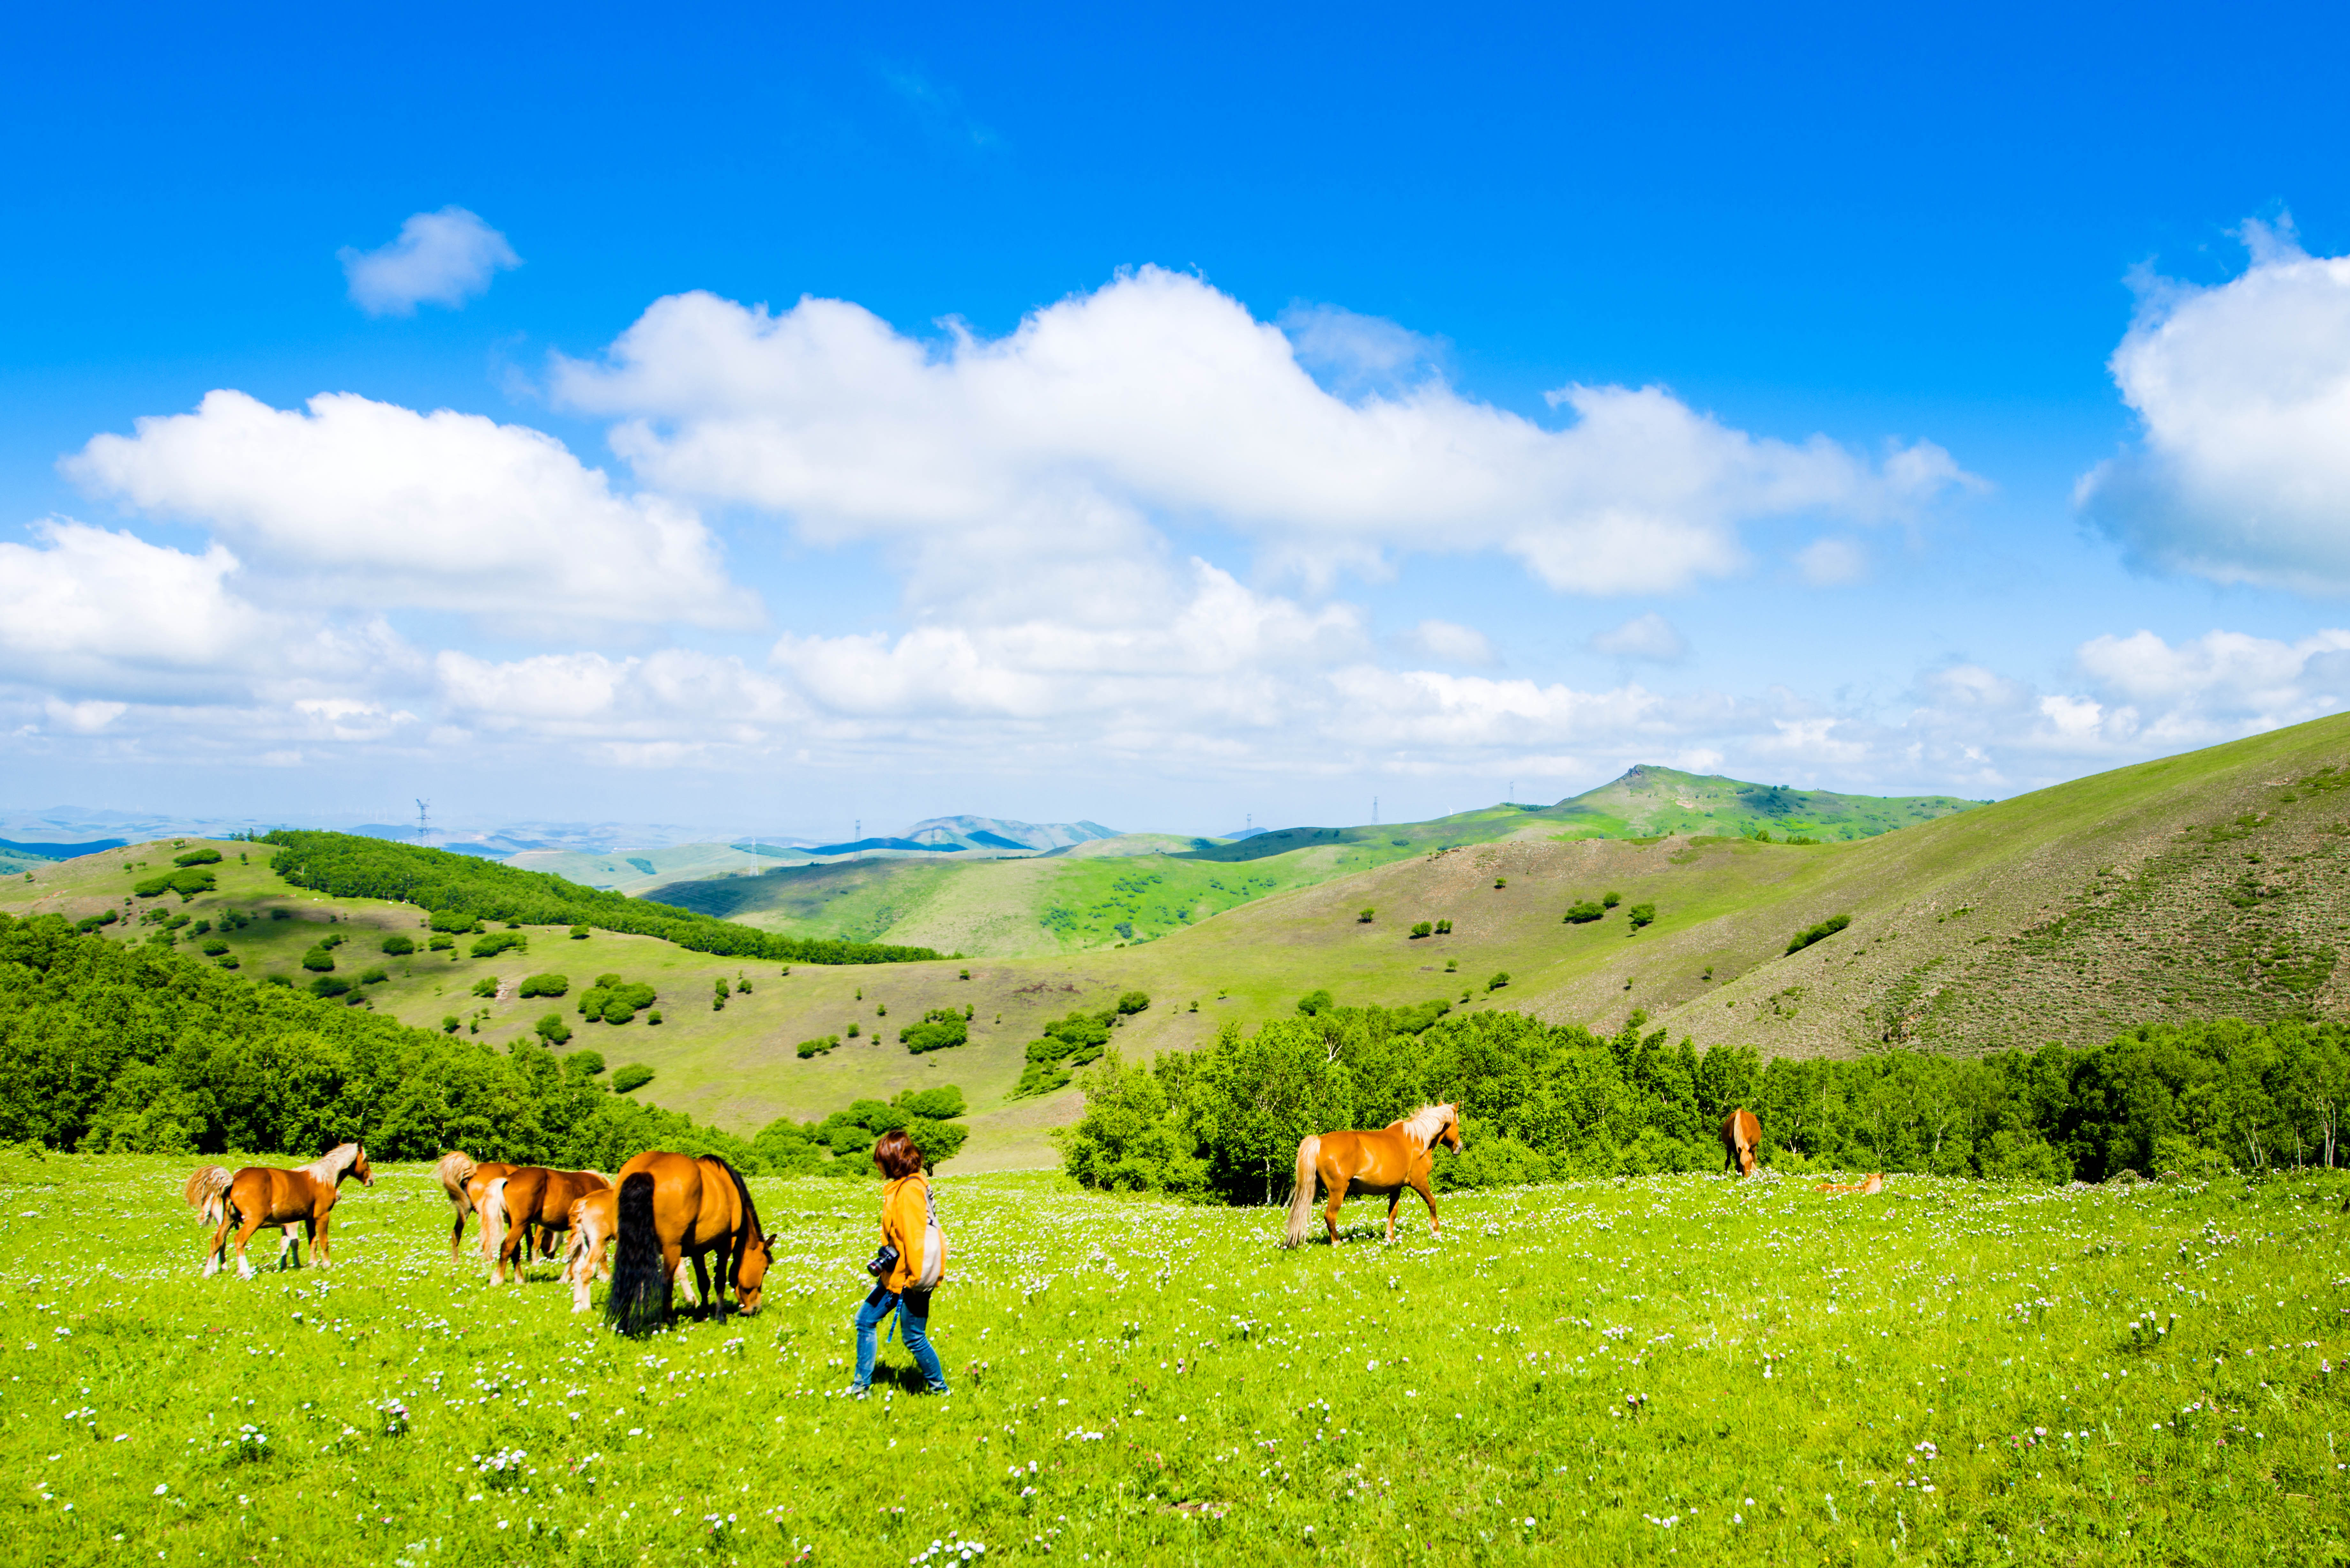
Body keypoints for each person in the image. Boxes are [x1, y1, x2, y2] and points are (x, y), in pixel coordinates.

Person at [850, 1129, 948, 1395]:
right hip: (895, 1275)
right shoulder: (910, 1184)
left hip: (908, 1277)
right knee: (865, 1320)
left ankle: (941, 1391)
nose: (878, 1165)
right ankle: (862, 1386)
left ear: (894, 1161)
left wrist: (915, 1279)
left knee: (914, 1337)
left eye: (881, 1160)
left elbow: (915, 1238)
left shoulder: (909, 1191)